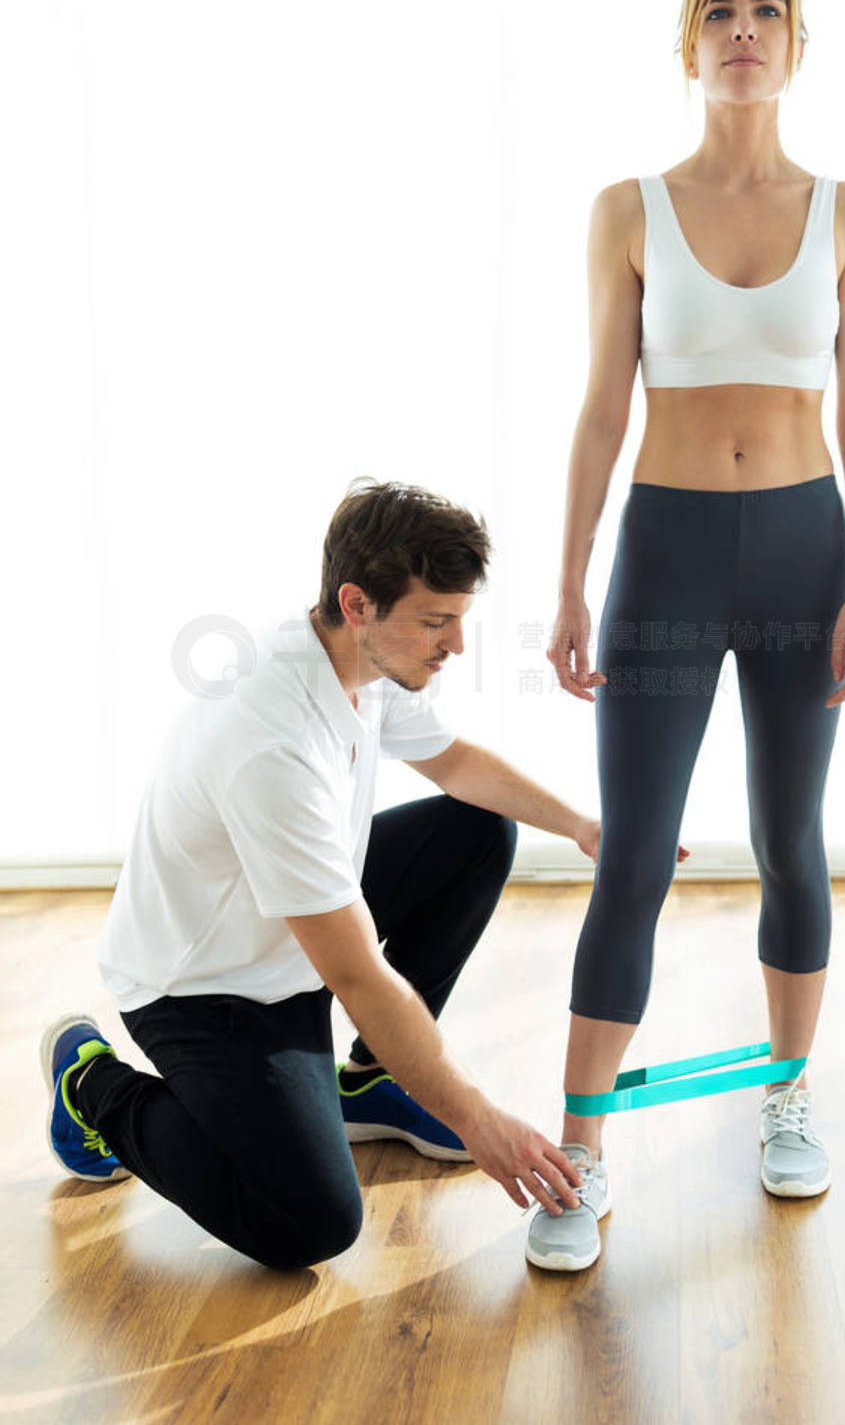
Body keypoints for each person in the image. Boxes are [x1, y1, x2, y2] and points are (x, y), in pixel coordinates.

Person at [43, 479, 692, 1269]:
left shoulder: (358, 660)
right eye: (435, 621)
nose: (454, 644)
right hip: (205, 988)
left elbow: (455, 764)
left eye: (459, 618)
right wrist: (481, 1120)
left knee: (478, 831)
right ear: (358, 604)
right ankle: (93, 1087)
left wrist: (587, 827)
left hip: (293, 931)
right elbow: (357, 974)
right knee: (308, 1221)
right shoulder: (269, 741)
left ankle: (365, 1083)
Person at [527, 0, 845, 1272]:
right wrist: (568, 576)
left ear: (798, 43)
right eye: (720, 13)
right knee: (635, 856)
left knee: (793, 838)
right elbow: (598, 409)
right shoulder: (628, 208)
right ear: (689, 46)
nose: (745, 31)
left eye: (767, 12)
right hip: (667, 548)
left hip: (804, 551)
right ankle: (581, 1154)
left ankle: (788, 1097)